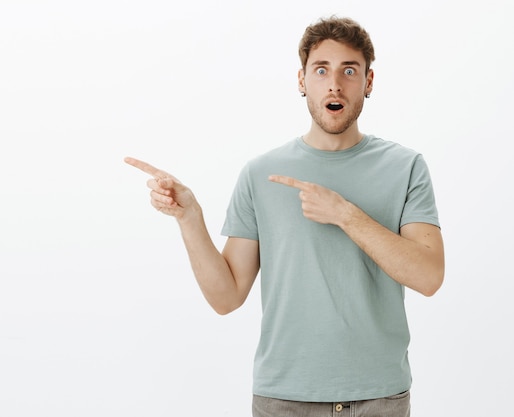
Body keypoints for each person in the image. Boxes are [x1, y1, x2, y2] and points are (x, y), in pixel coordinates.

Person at [125, 16, 444, 417]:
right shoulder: (261, 173)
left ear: (369, 82)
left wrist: (345, 215)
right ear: (301, 80)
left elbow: (429, 277)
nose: (335, 84)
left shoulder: (406, 167)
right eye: (321, 70)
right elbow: (226, 298)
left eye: (350, 70)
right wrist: (190, 217)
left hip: (379, 396)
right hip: (284, 399)